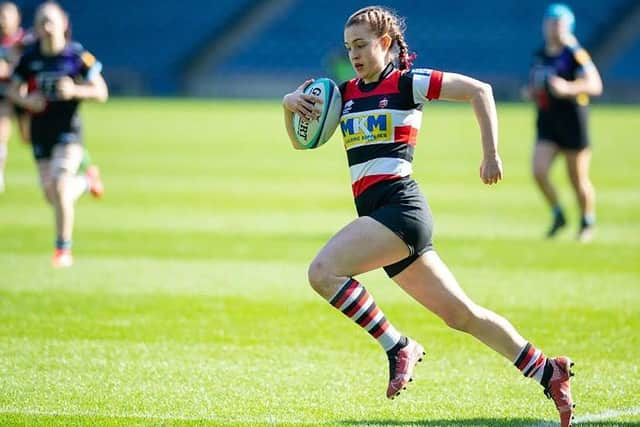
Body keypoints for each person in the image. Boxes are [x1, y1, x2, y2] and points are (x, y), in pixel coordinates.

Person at [283, 6, 575, 427]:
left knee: (323, 272)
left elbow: (480, 91)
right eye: (349, 48)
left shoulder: (406, 84)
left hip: (399, 210)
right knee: (462, 315)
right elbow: (299, 142)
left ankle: (397, 345)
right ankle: (549, 371)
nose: (355, 55)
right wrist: (288, 103)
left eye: (363, 45)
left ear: (386, 44)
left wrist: (491, 153)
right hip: (383, 219)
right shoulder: (343, 94)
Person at [8, 1, 107, 267]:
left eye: (51, 21)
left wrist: (74, 91)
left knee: (61, 186)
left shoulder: (77, 56)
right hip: (41, 133)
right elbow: (12, 91)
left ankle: (63, 250)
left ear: (65, 24)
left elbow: (101, 91)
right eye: (42, 22)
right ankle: (87, 181)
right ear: (37, 29)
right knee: (51, 195)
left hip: (69, 132)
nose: (47, 27)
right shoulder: (30, 58)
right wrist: (29, 102)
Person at [528, 4, 602, 242]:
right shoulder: (541, 54)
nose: (554, 28)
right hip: (548, 122)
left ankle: (586, 222)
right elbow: (537, 82)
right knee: (539, 171)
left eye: (558, 24)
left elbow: (595, 85)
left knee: (577, 179)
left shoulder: (574, 53)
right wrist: (531, 91)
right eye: (550, 23)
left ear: (568, 27)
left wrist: (568, 88)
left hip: (573, 122)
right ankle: (558, 214)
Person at [0, 1, 24, 191]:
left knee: (28, 138)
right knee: (1, 131)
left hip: (26, 97)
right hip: (5, 96)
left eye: (6, 16)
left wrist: (8, 70)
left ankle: (84, 164)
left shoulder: (25, 42)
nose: (2, 20)